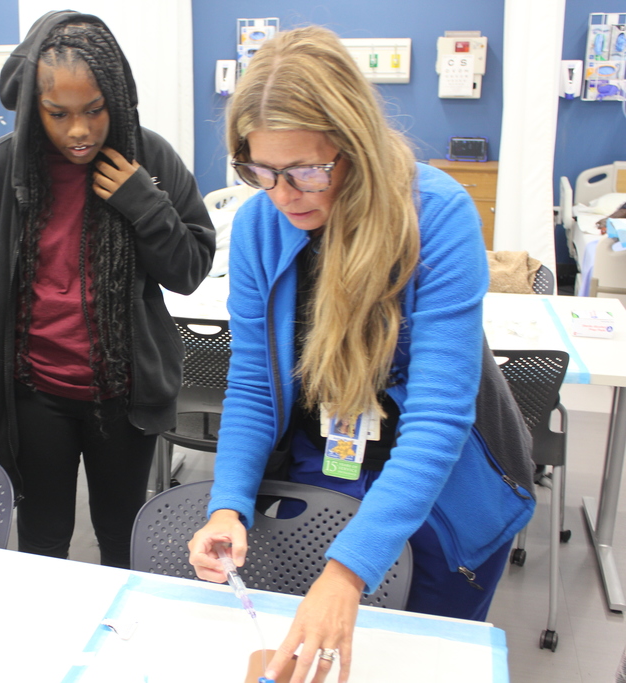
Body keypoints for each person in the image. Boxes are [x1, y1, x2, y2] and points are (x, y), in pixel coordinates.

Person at [186, 26, 534, 683]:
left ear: (356, 147)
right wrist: (228, 503)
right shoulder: (262, 225)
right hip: (332, 465)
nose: (284, 194)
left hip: (446, 491)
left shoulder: (437, 215)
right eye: (261, 171)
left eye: (307, 171)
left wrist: (346, 571)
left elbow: (437, 420)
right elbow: (257, 387)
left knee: (415, 660)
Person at [0, 11, 215, 568]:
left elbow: (188, 270)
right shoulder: (4, 170)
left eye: (94, 111)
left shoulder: (147, 158)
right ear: (35, 108)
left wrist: (142, 202)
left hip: (121, 391)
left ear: (118, 99)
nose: (78, 130)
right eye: (59, 114)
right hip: (35, 391)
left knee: (121, 535)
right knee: (42, 537)